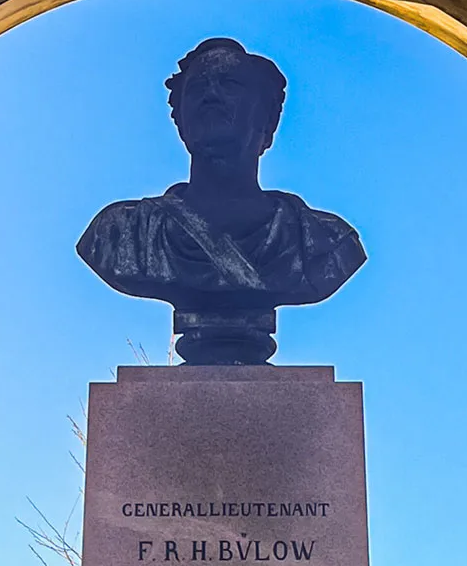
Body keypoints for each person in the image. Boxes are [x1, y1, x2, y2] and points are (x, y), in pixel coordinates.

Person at [77, 38, 366, 363]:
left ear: (268, 121)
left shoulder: (323, 241)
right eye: (199, 87)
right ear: (181, 122)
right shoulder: (120, 233)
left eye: (229, 84)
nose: (211, 94)